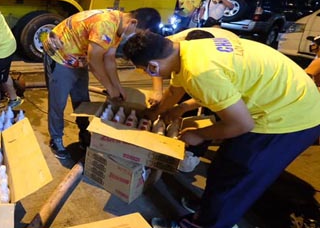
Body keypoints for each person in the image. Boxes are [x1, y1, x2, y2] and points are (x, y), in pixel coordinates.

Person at [122, 31, 320, 228]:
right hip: (283, 99)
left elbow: (242, 124)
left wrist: (198, 134)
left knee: (234, 178)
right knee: (221, 169)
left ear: (153, 66)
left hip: (288, 119)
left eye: (144, 70)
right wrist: (158, 112)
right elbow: (175, 90)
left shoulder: (200, 72)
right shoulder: (187, 50)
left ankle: (209, 223)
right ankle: (209, 210)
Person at [42, 7, 161, 159]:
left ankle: (84, 131)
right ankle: (56, 139)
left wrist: (118, 87)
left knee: (81, 97)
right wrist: (109, 88)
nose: (133, 37)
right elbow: (94, 61)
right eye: (136, 33)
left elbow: (109, 59)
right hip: (60, 56)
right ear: (133, 22)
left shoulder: (119, 27)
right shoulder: (106, 24)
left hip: (78, 56)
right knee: (58, 102)